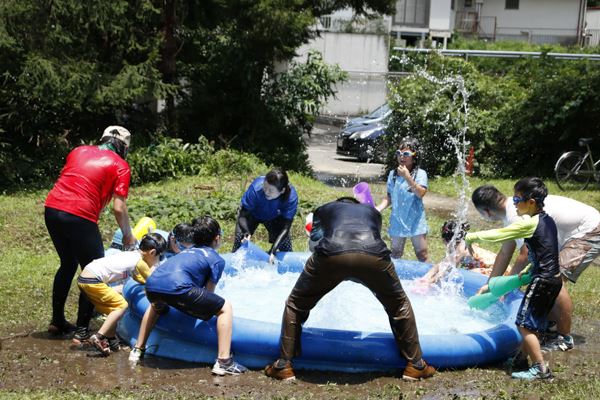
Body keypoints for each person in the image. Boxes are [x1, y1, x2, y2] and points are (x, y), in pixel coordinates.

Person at [264, 197, 435, 381]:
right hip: (374, 255)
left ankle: (283, 365)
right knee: (398, 304)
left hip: (332, 252)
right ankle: (416, 365)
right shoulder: (373, 212)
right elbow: (371, 237)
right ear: (357, 206)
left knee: (296, 304)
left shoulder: (325, 207)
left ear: (338, 204)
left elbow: (315, 239)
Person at [471, 184, 600, 352]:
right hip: (580, 226)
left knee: (554, 278)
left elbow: (523, 255)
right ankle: (551, 327)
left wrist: (507, 286)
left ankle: (564, 337)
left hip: (589, 229)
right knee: (544, 277)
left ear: (486, 212)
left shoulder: (516, 215)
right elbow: (505, 252)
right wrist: (491, 285)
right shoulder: (513, 208)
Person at [45, 125, 136, 342]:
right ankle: (82, 331)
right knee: (93, 271)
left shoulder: (78, 150)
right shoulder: (120, 165)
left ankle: (57, 321)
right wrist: (127, 234)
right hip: (80, 216)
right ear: (124, 147)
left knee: (67, 263)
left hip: (52, 209)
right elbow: (119, 208)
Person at [465, 177, 562, 380]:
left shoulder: (529, 224)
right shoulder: (548, 220)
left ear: (531, 203)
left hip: (542, 281)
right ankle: (520, 359)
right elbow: (546, 249)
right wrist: (529, 267)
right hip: (553, 278)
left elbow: (501, 234)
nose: (514, 204)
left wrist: (472, 236)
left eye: (517, 200)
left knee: (524, 325)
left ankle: (541, 369)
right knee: (532, 323)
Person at [128, 216, 247, 376]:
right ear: (217, 238)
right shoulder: (216, 259)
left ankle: (138, 349)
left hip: (152, 286)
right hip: (178, 288)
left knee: (157, 306)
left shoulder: (185, 252)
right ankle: (224, 361)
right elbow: (208, 294)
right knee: (225, 308)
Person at [77, 233, 167, 356]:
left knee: (113, 309)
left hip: (85, 278)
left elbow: (138, 277)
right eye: (158, 257)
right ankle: (99, 336)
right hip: (93, 281)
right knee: (121, 305)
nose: (157, 261)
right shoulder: (140, 262)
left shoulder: (133, 255)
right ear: (152, 252)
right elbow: (153, 281)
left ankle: (111, 339)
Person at [376, 138, 429, 262]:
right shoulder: (393, 174)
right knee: (395, 253)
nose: (402, 157)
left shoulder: (421, 174)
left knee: (422, 254)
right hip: (398, 219)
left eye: (406, 154)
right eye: (399, 153)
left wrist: (407, 177)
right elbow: (390, 196)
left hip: (416, 220)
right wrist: (378, 208)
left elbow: (421, 193)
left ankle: (428, 280)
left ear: (414, 157)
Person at [232, 168, 298, 263]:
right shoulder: (256, 188)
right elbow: (242, 216)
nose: (266, 192)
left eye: (271, 190)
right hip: (251, 214)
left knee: (285, 247)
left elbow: (285, 228)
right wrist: (246, 232)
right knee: (239, 242)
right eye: (265, 187)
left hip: (274, 217)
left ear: (282, 190)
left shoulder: (291, 197)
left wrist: (273, 250)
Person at [420, 220, 497, 285]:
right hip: (496, 266)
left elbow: (446, 271)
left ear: (445, 240)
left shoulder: (461, 250)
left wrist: (428, 283)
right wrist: (425, 277)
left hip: (496, 272)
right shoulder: (461, 244)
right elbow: (442, 264)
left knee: (465, 274)